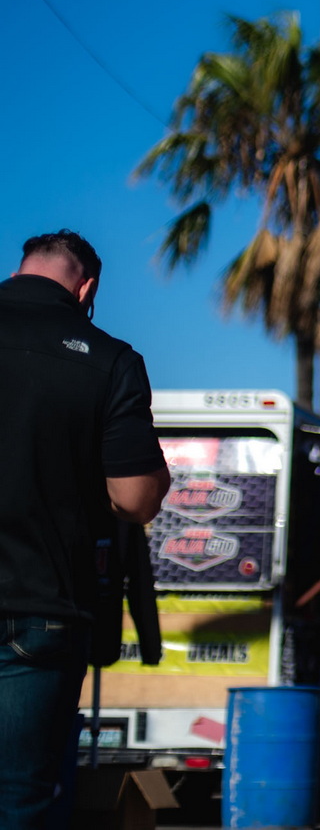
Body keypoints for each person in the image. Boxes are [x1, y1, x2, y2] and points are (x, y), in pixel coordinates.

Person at [0, 231, 169, 828]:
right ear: (86, 288)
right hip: (40, 608)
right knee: (19, 799)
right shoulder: (109, 359)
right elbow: (135, 497)